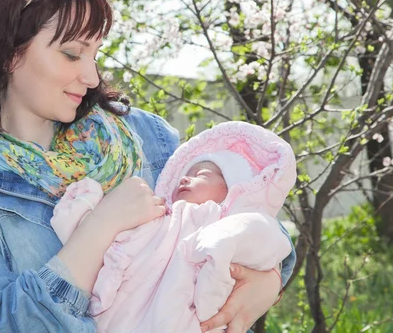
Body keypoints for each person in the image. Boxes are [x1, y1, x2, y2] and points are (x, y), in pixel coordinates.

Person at [0, 0, 296, 333]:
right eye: (72, 54)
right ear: (6, 53)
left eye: (95, 54)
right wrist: (99, 229)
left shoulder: (146, 137)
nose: (91, 77)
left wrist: (269, 275)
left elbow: (242, 212)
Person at [50, 121, 296, 332]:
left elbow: (268, 240)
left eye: (202, 174)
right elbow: (108, 242)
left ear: (234, 190)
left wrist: (224, 247)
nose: (185, 178)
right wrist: (83, 207)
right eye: (184, 174)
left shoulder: (227, 222)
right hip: (120, 316)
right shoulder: (156, 217)